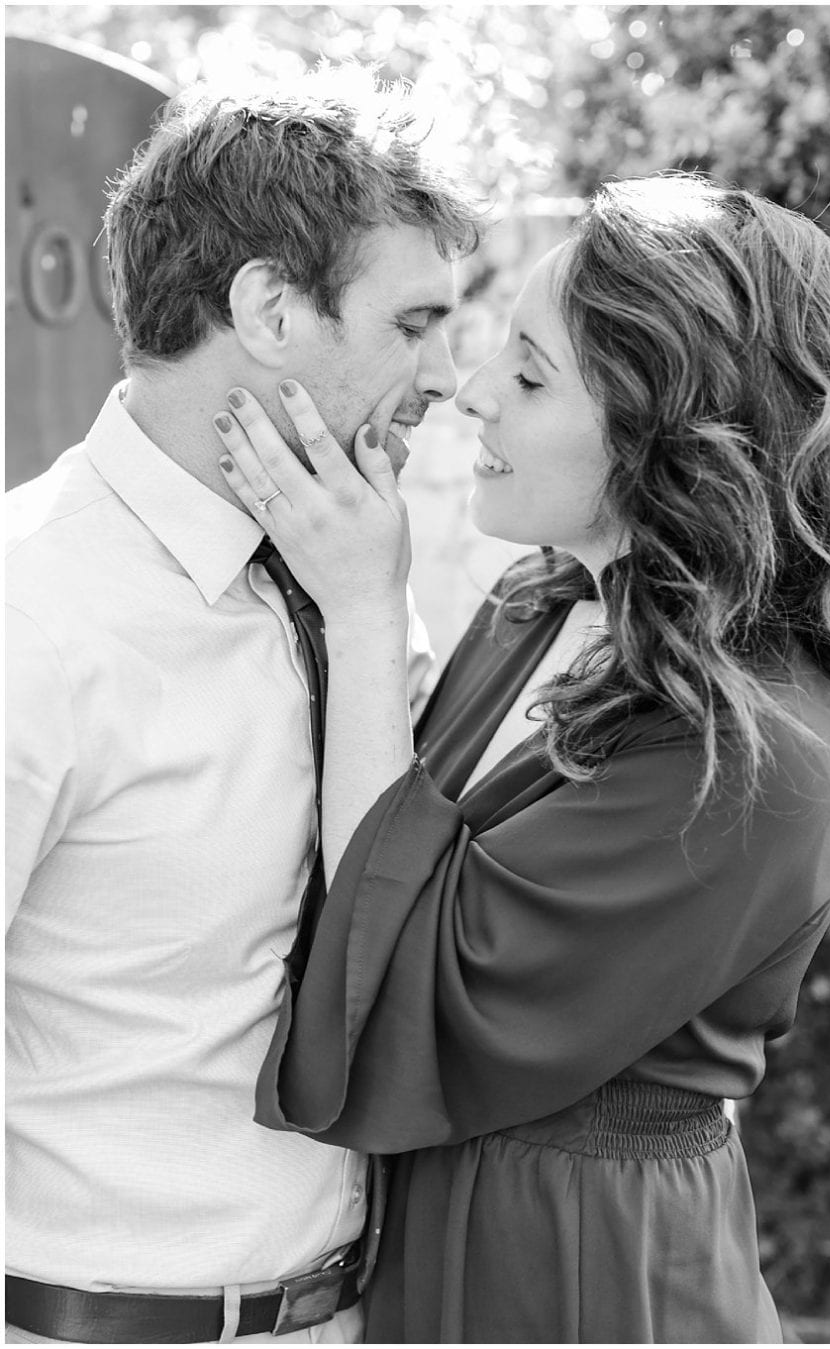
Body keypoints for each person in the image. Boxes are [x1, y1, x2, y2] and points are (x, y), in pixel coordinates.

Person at [211, 175, 830, 1342]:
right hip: (432, 1231)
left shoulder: (761, 755)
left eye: (530, 373)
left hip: (578, 1267)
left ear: (668, 430)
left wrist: (366, 614)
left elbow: (406, 988)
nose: (472, 394)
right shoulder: (549, 597)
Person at [5, 72, 480, 1344]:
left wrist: (374, 618)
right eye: (417, 321)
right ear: (271, 305)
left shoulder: (355, 571)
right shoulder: (27, 616)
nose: (451, 375)